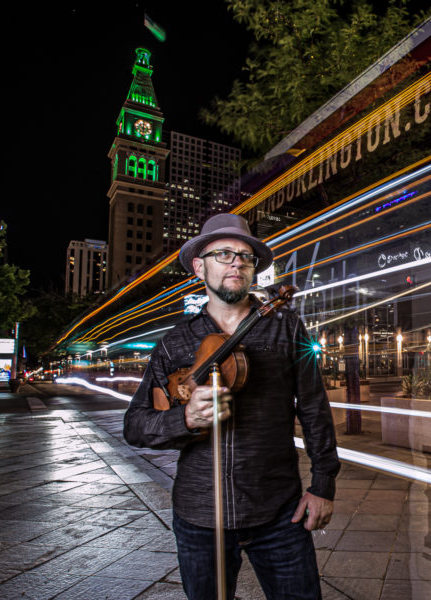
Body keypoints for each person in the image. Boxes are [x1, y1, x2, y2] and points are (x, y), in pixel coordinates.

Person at [123, 213, 340, 599]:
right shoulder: (174, 343)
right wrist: (184, 418)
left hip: (279, 511)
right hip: (199, 514)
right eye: (222, 254)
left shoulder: (285, 326)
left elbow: (314, 410)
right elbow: (137, 425)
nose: (236, 262)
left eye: (245, 256)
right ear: (199, 266)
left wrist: (323, 485)